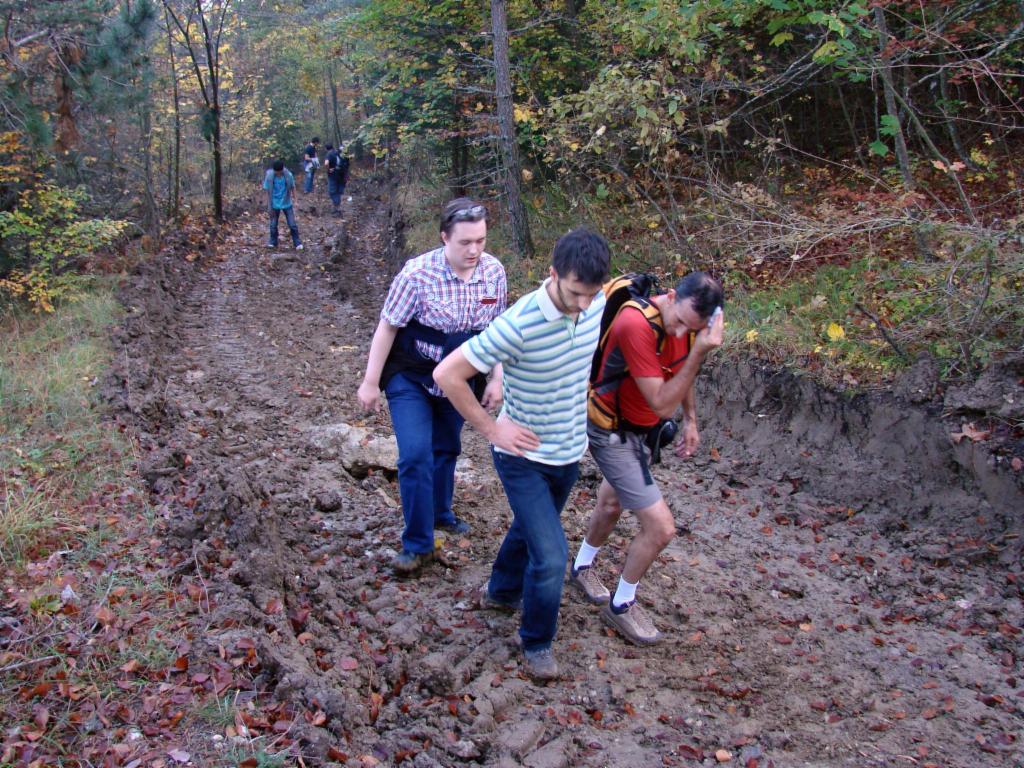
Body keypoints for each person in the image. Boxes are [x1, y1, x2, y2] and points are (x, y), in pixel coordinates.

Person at [433, 228, 611, 682]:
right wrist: (493, 428)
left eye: (592, 295)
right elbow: (448, 374)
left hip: (570, 452)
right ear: (552, 274)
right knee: (551, 555)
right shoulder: (519, 324)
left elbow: (627, 298)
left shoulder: (599, 300)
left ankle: (502, 590)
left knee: (532, 527)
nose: (584, 305)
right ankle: (536, 642)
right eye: (575, 293)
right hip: (522, 457)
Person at [568, 272, 724, 645]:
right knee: (661, 529)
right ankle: (622, 605)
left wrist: (691, 419)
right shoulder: (634, 323)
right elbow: (661, 400)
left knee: (611, 504)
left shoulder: (687, 327)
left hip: (639, 431)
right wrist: (701, 348)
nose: (679, 333)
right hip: (611, 430)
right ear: (670, 296)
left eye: (692, 329)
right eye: (680, 322)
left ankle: (581, 567)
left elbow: (680, 369)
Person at [358, 199, 507, 575]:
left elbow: (498, 331)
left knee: (446, 448)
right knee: (414, 455)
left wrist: (497, 377)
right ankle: (418, 544)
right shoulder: (417, 275)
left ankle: (441, 512)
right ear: (445, 238)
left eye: (480, 240)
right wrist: (370, 382)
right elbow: (388, 326)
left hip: (459, 378)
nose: (474, 250)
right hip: (413, 374)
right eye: (465, 242)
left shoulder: (494, 274)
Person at [262, 160, 302, 250]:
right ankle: (273, 242)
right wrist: (268, 203)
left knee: (292, 224)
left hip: (286, 202)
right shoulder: (269, 176)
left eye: (280, 172)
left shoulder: (288, 175)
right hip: (274, 203)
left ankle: (297, 242)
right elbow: (267, 190)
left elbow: (293, 187)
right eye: (277, 172)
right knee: (273, 224)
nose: (278, 174)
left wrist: (296, 200)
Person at [324, 143, 350, 215]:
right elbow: (347, 167)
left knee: (332, 192)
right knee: (339, 192)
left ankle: (337, 208)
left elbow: (326, 163)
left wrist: (329, 169)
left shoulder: (331, 153)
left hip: (333, 175)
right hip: (343, 176)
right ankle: (337, 208)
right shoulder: (347, 156)